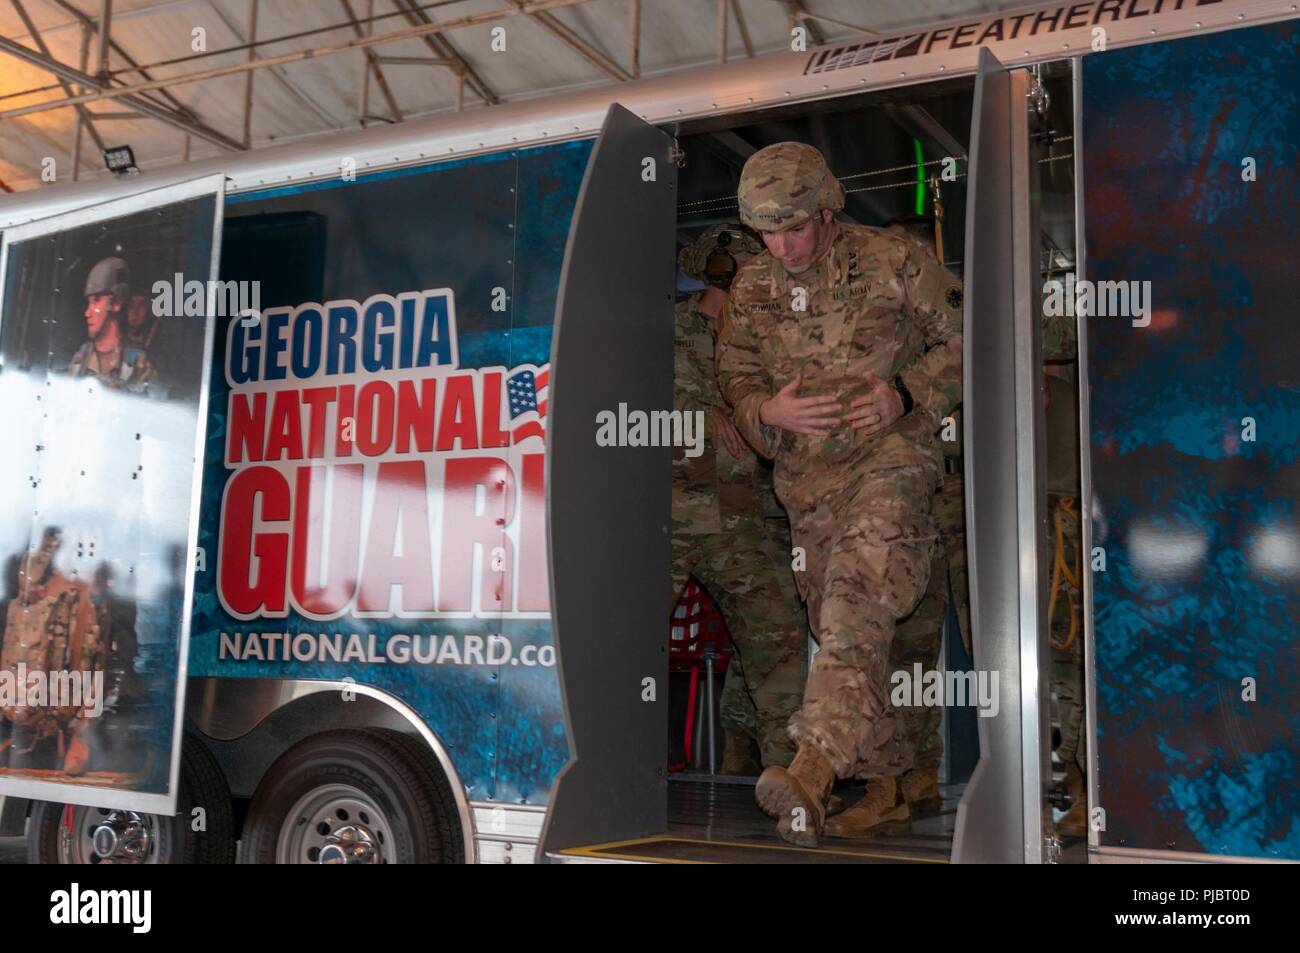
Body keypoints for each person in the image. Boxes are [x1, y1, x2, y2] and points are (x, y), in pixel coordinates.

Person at [719, 142, 963, 846]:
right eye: (768, 231)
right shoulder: (751, 289)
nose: (783, 245)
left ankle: (813, 766)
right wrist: (767, 412)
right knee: (852, 632)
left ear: (828, 208)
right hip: (806, 487)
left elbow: (968, 333)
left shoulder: (895, 260)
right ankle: (894, 781)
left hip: (892, 460)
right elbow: (733, 375)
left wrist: (908, 393)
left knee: (855, 596)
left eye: (795, 226)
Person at [671, 224, 807, 772]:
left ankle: (785, 778)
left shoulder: (767, 336)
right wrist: (704, 417)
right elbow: (612, 415)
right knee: (618, 652)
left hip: (741, 520)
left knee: (781, 646)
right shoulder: (660, 328)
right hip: (671, 518)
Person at [69, 256, 157, 391]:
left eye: (97, 300)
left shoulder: (139, 364)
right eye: (89, 303)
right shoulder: (81, 356)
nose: (87, 313)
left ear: (116, 303)